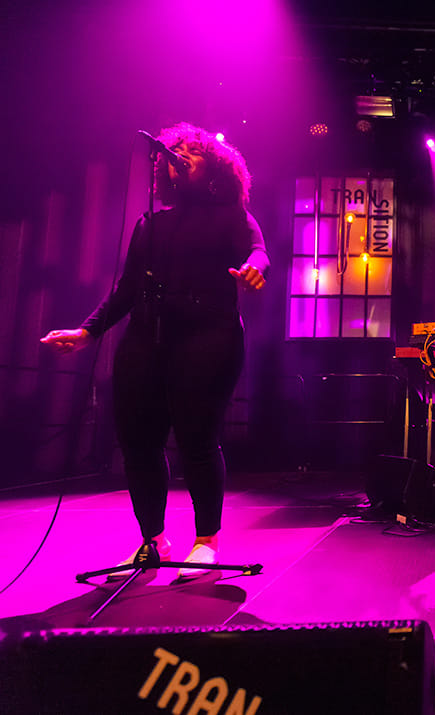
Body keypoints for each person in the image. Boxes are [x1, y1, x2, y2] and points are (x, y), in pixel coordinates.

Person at [40, 123, 269, 578]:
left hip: (209, 335)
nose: (179, 154)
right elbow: (126, 290)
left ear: (214, 167)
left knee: (197, 439)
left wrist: (252, 269)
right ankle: (153, 541)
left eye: (191, 150)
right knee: (138, 442)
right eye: (174, 150)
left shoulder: (231, 214)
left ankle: (206, 541)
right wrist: (86, 333)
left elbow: (257, 251)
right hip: (146, 337)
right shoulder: (150, 223)